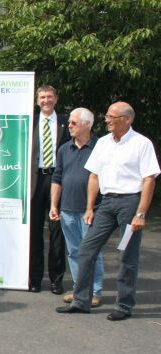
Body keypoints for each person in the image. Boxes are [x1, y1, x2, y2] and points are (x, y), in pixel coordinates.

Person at [57, 102, 159, 320]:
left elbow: (149, 179)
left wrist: (141, 213)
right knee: (86, 249)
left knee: (127, 254)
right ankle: (81, 301)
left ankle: (123, 305)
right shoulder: (103, 143)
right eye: (107, 116)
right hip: (106, 203)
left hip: (130, 202)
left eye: (112, 117)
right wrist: (89, 208)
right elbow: (94, 176)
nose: (107, 120)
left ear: (127, 119)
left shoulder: (141, 143)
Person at [49, 108, 104, 307]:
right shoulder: (64, 149)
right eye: (70, 123)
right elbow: (57, 178)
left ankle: (95, 291)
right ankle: (79, 290)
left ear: (87, 124)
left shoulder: (101, 147)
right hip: (67, 209)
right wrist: (53, 205)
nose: (69, 126)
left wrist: (92, 208)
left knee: (92, 252)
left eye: (74, 123)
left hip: (92, 209)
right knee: (73, 251)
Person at [29, 85, 70, 293]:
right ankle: (34, 279)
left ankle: (56, 279)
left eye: (50, 97)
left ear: (56, 99)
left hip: (58, 179)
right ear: (37, 101)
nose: (46, 100)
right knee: (34, 232)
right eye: (42, 97)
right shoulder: (30, 122)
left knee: (57, 233)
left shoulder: (66, 122)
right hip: (35, 181)